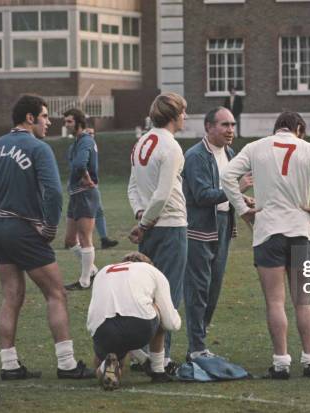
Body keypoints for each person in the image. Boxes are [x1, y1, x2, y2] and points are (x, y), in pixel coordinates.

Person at [0, 94, 94, 380]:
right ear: (31, 118)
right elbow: (54, 191)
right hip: (25, 230)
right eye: (45, 116)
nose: (49, 122)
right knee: (57, 293)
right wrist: (49, 227)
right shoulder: (38, 147)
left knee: (11, 297)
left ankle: (9, 365)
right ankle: (67, 364)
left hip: (0, 232)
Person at [222, 111, 310, 379]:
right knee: (304, 300)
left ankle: (281, 363)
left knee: (275, 302)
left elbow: (227, 176)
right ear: (298, 128)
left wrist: (242, 209)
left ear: (277, 127)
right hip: (301, 229)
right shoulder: (309, 149)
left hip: (268, 230)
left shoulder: (256, 147)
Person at [182, 107, 253, 361]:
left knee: (214, 286)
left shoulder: (230, 153)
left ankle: (200, 335)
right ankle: (197, 347)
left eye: (232, 125)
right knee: (199, 288)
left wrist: (243, 198)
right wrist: (235, 187)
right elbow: (202, 196)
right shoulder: (195, 156)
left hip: (222, 225)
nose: (230, 130)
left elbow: (225, 195)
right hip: (199, 229)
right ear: (208, 127)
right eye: (224, 125)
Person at [127, 92, 188, 373]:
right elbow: (164, 195)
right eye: (183, 112)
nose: (185, 117)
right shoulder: (171, 146)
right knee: (168, 295)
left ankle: (143, 351)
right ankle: (160, 359)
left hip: (149, 228)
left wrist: (141, 215)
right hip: (170, 226)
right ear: (173, 116)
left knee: (147, 294)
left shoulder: (141, 143)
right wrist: (145, 222)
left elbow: (132, 187)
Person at [87, 251, 182, 390]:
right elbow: (170, 323)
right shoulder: (151, 271)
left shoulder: (104, 271)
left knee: (112, 360)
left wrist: (142, 358)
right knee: (156, 309)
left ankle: (104, 368)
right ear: (147, 263)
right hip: (139, 326)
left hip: (101, 329)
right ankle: (158, 371)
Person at [62, 108, 100, 291]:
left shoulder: (86, 140)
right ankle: (92, 270)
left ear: (79, 122)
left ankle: (84, 282)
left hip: (86, 193)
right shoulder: (76, 143)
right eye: (66, 121)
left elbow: (79, 164)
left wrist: (85, 175)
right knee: (70, 240)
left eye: (69, 121)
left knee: (85, 238)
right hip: (75, 195)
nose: (66, 125)